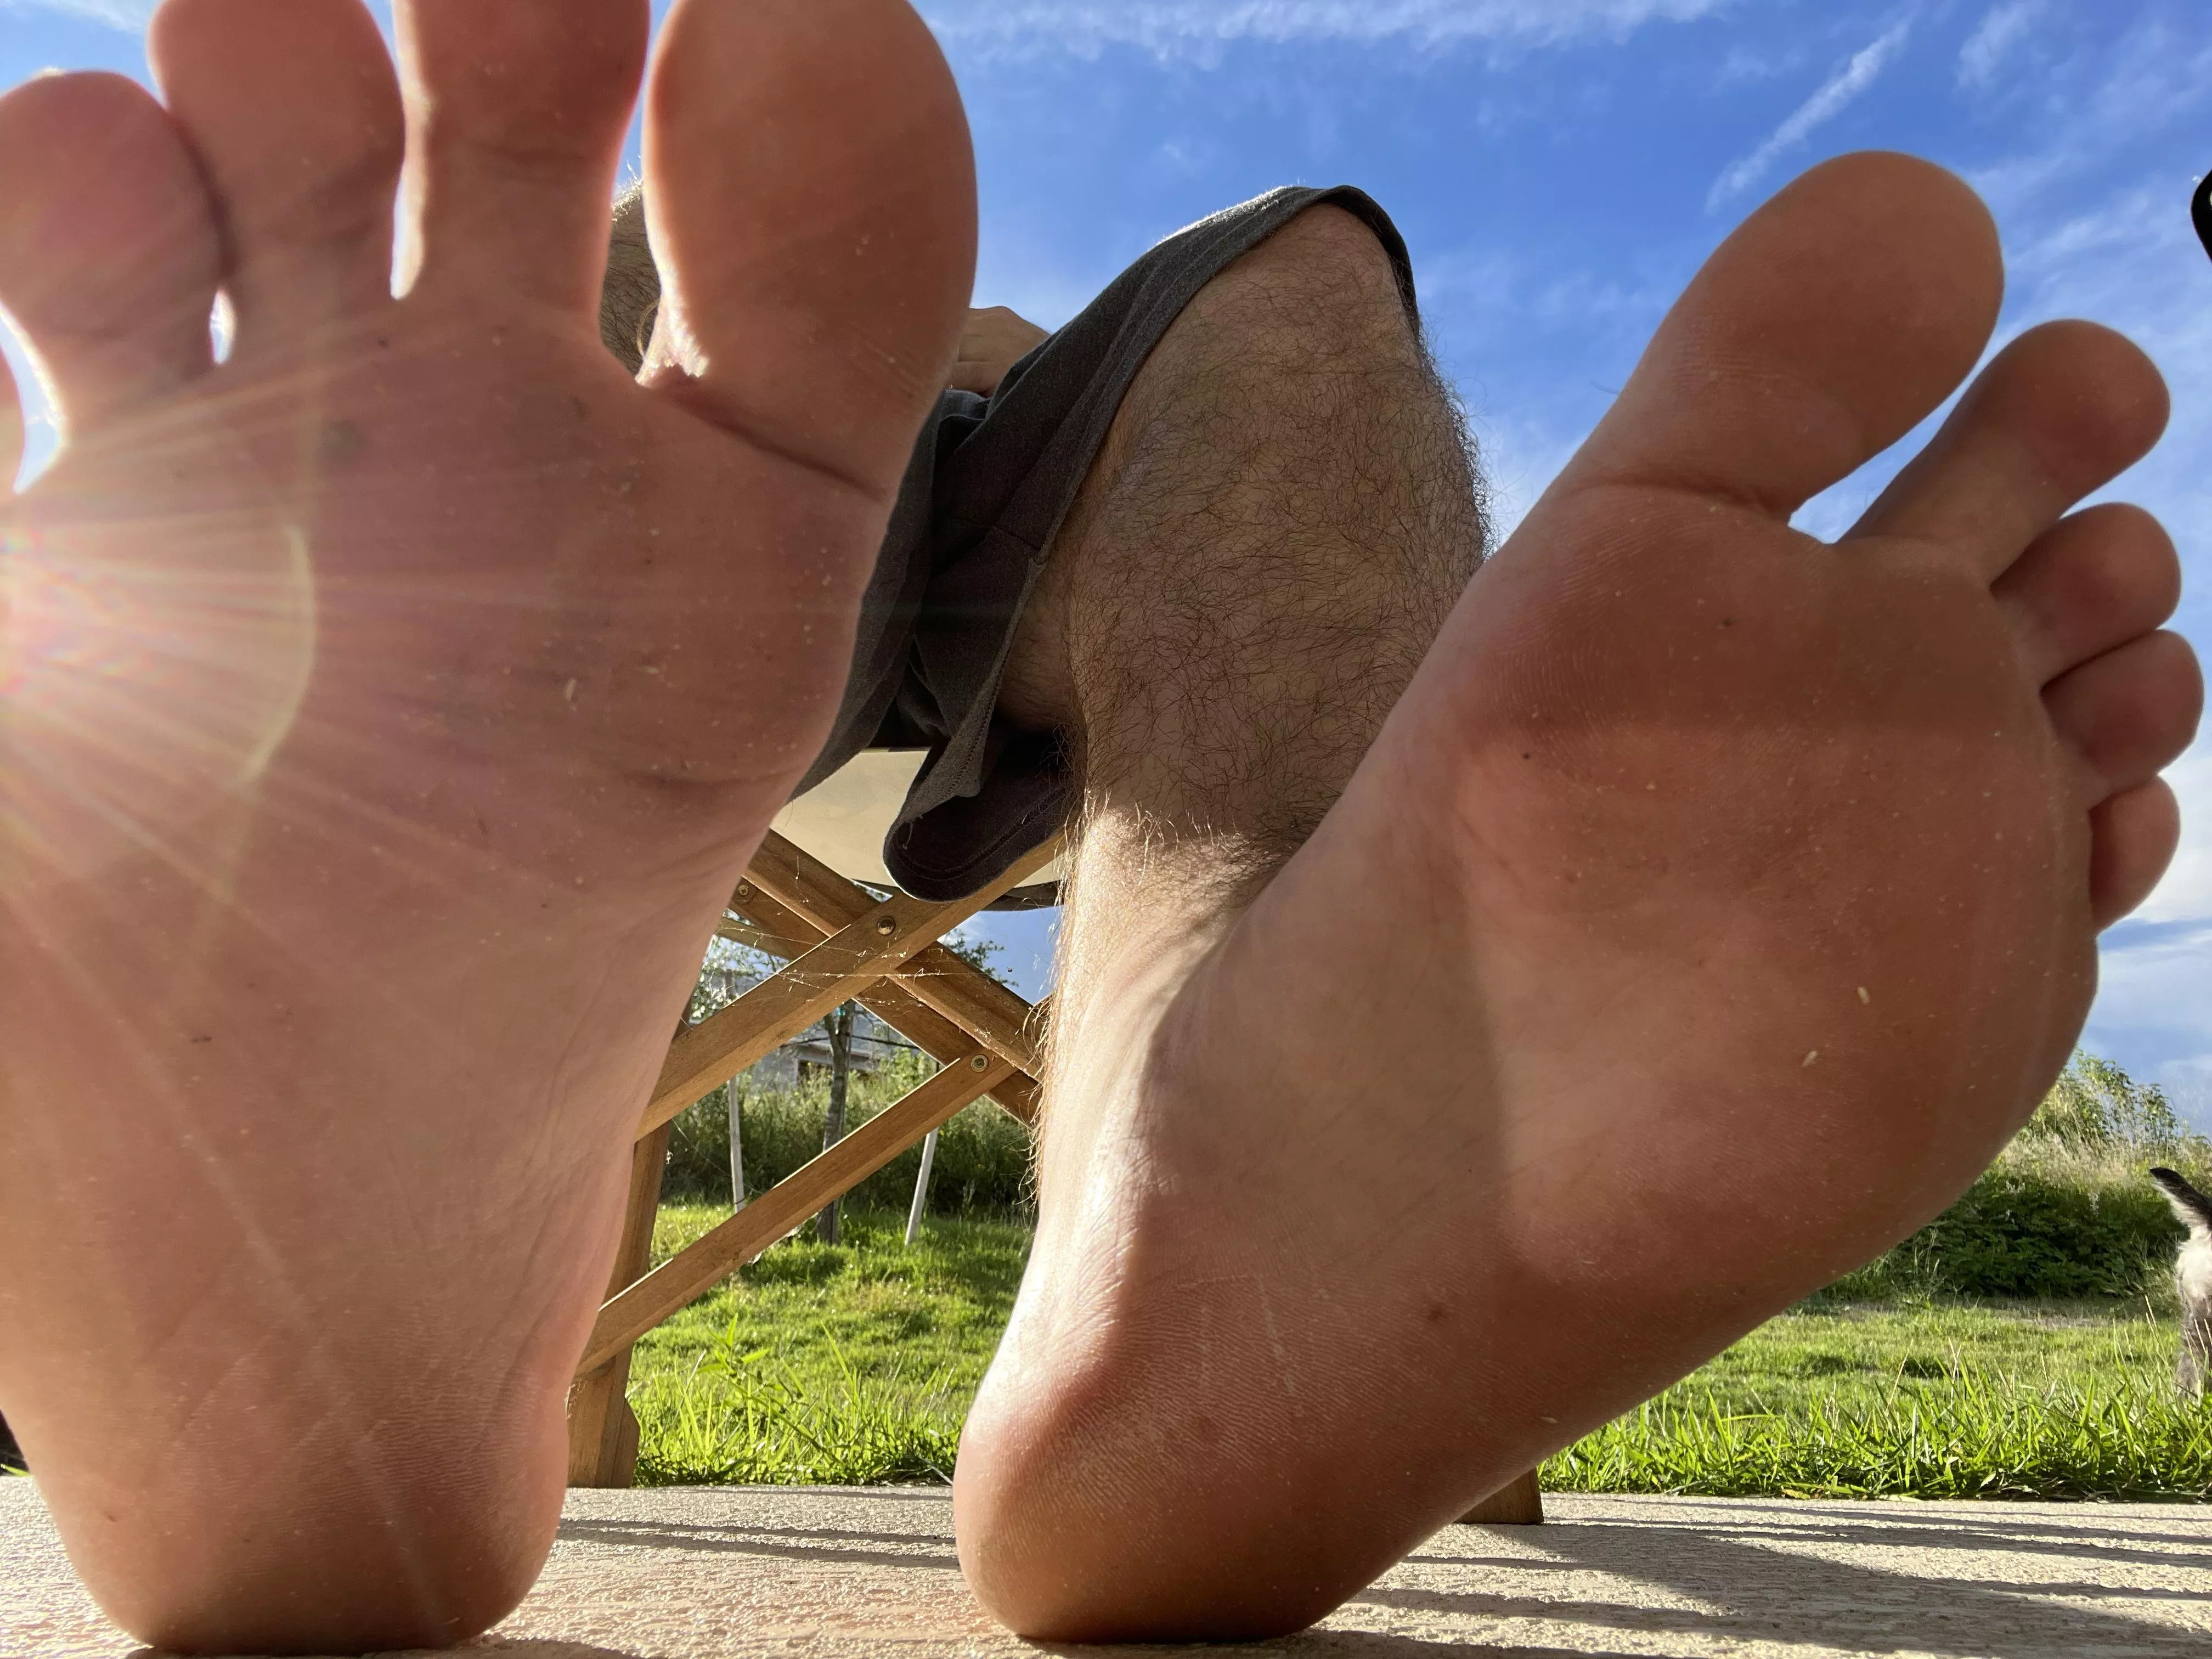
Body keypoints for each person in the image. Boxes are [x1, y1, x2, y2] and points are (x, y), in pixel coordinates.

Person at [0, 0, 2195, 1652]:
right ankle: (371, 899)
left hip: (935, 598)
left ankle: (1197, 1237)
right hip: (686, 584)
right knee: (564, 337)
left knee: (1284, 301)